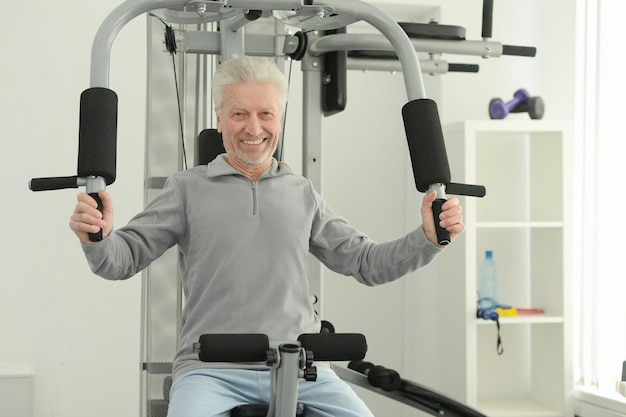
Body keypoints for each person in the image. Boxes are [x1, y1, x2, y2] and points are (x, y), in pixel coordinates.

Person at [69, 56, 464, 417]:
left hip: (302, 366)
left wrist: (426, 239)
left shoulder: (301, 191)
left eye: (265, 114)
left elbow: (365, 263)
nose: (253, 128)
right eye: (239, 113)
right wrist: (98, 237)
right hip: (210, 369)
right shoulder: (185, 189)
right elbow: (120, 259)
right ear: (219, 118)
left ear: (280, 118)